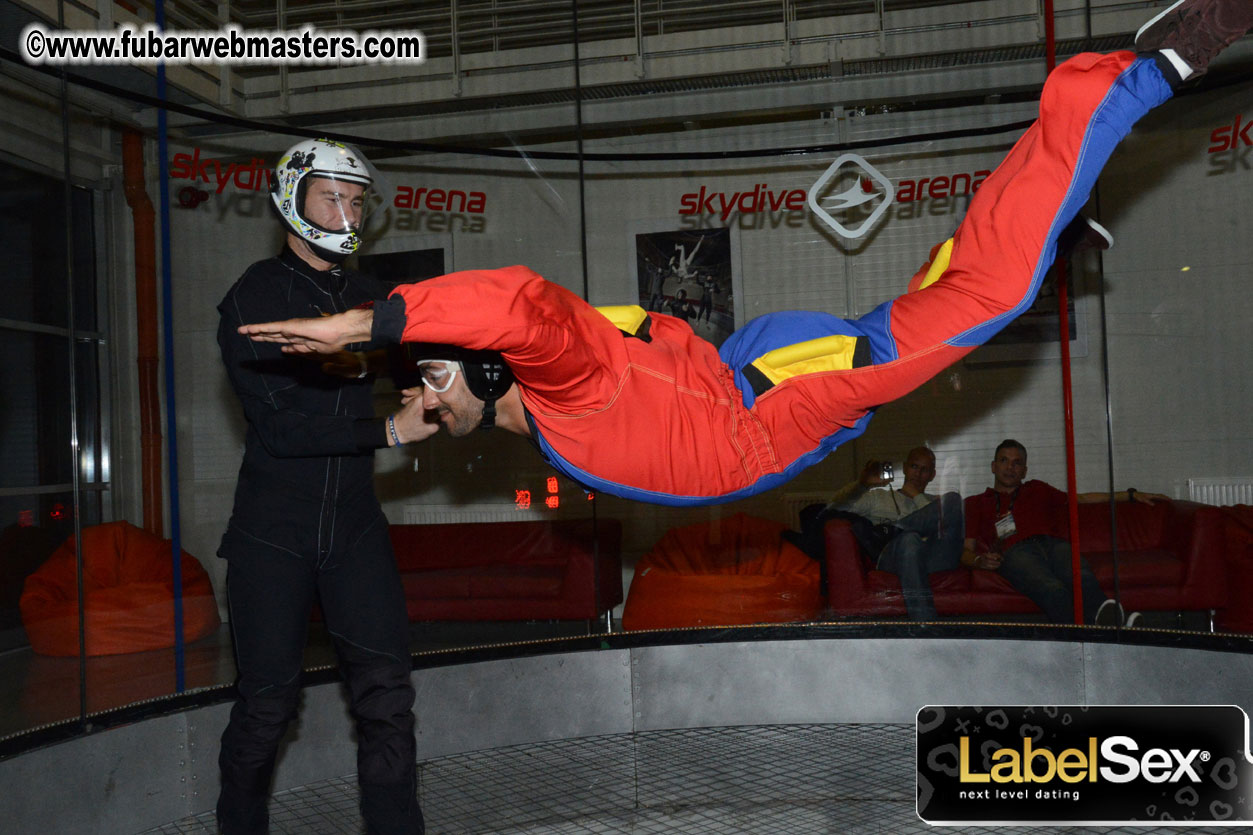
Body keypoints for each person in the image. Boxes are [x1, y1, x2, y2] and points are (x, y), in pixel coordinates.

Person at [238, 0, 1252, 510]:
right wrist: (391, 416)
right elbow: (508, 346)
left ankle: (1136, 74)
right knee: (946, 301)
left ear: (492, 368)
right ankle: (1045, 235)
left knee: (973, 302)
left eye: (434, 376)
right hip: (743, 379)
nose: (425, 392)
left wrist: (372, 320)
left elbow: (517, 304)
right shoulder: (546, 409)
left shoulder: (563, 388)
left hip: (765, 406)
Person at [215, 138, 431, 834]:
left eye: (356, 200)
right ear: (291, 201)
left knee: (387, 698)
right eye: (331, 197)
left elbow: (419, 367)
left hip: (354, 524)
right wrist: (389, 430)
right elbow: (280, 431)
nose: (347, 213)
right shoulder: (254, 295)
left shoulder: (371, 299)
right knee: (267, 705)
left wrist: (445, 387)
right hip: (272, 531)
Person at [964, 439, 1167, 625]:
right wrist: (979, 561)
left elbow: (1082, 499)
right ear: (993, 466)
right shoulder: (976, 503)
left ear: (1024, 471)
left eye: (1017, 463)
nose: (1010, 467)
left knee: (1080, 576)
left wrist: (1130, 495)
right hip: (1015, 552)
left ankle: (1110, 624)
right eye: (1004, 461)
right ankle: (1113, 629)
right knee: (1053, 589)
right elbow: (966, 550)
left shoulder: (1037, 488)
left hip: (1053, 545)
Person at [825, 448, 964, 621]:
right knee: (909, 540)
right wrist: (862, 485)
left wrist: (917, 496)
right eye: (914, 466)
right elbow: (833, 508)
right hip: (893, 556)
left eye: (924, 469)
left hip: (930, 557)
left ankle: (898, 529)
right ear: (905, 468)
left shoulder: (932, 503)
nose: (918, 473)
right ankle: (925, 625)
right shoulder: (878, 497)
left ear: (932, 475)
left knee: (953, 499)